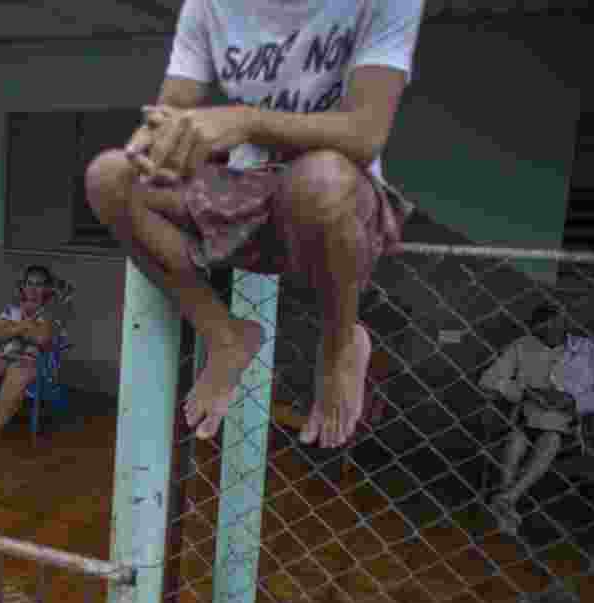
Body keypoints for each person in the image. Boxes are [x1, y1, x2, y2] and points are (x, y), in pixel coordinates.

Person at [84, 0, 424, 448]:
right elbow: (171, 111)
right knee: (111, 176)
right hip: (244, 191)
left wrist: (244, 121)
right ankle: (225, 336)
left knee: (320, 177)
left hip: (335, 200)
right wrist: (154, 143)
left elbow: (365, 133)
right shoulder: (207, 5)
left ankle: (339, 344)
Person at [479, 304, 594, 533]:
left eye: (554, 327)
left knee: (549, 439)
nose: (547, 334)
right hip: (527, 419)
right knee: (515, 440)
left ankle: (507, 498)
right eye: (540, 329)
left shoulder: (585, 349)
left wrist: (573, 401)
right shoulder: (522, 346)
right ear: (534, 327)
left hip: (565, 427)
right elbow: (488, 380)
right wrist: (524, 391)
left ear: (564, 325)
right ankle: (506, 505)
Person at [0, 265, 65, 437]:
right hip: (6, 356)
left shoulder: (51, 312)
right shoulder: (12, 309)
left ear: (47, 288)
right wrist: (27, 325)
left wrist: (13, 327)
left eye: (39, 284)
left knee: (17, 372)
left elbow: (41, 338)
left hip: (35, 361)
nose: (33, 289)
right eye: (30, 283)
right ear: (23, 286)